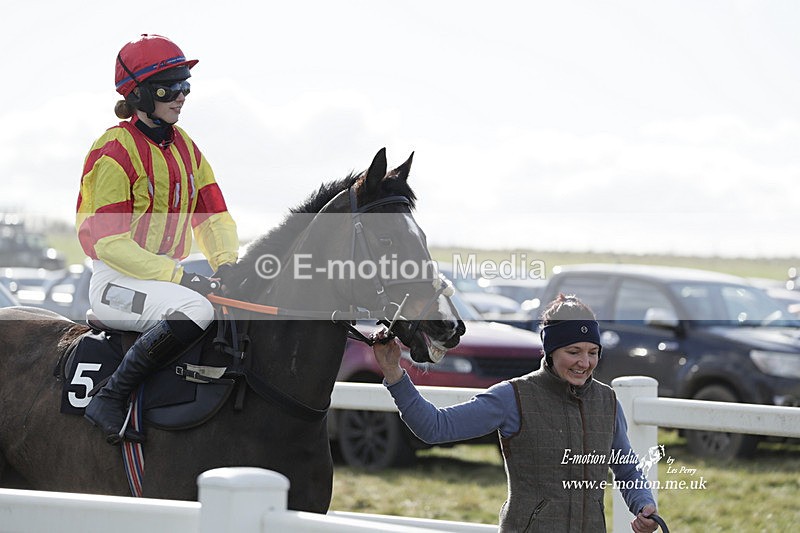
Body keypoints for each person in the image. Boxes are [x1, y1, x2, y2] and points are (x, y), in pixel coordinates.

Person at [372, 293, 661, 533]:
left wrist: (643, 504)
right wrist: (395, 375)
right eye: (573, 351)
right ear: (551, 350)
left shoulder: (607, 401)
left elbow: (626, 468)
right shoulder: (511, 397)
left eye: (592, 352)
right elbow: (435, 427)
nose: (584, 362)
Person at [76, 34, 239, 445]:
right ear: (141, 94)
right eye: (172, 87)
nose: (182, 96)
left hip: (161, 279)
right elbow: (111, 243)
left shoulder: (187, 148)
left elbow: (214, 217)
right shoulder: (113, 150)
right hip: (115, 283)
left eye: (186, 85)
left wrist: (227, 265)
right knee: (195, 310)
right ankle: (110, 398)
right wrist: (180, 278)